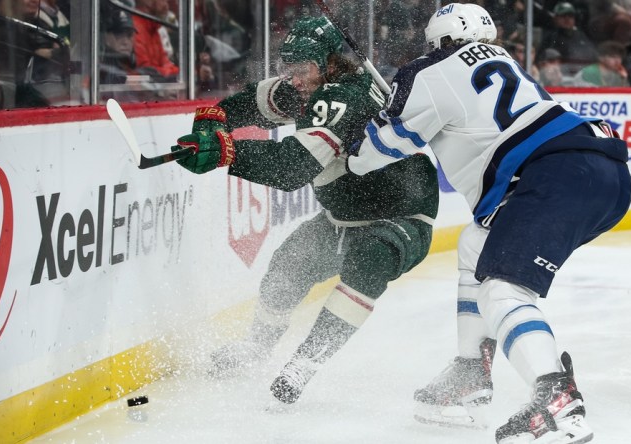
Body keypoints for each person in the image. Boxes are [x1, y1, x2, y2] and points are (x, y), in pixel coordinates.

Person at [349, 3, 631, 443]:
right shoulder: (505, 59)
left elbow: (370, 156)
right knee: (474, 245)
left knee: (503, 290)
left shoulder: (427, 70)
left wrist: (371, 125)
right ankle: (469, 375)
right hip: (604, 170)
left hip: (551, 176)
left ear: (438, 41)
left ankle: (557, 403)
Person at [171, 16, 439, 405]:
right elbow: (255, 101)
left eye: (302, 70)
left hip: (401, 217)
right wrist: (219, 116)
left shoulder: (344, 96)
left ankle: (304, 364)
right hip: (342, 217)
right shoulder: (307, 86)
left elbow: (293, 167)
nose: (293, 79)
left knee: (369, 260)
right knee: (288, 266)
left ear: (330, 64)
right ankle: (256, 348)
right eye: (289, 70)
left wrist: (226, 151)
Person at [538, 1, 597, 75]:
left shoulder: (582, 37)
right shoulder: (550, 38)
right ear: (555, 18)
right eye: (563, 16)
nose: (567, 19)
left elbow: (593, 56)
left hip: (584, 76)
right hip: (561, 77)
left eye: (570, 16)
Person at [133, 0, 179, 81]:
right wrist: (175, 73)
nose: (166, 5)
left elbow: (165, 63)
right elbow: (146, 71)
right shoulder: (136, 27)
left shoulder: (153, 28)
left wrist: (182, 73)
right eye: (162, 0)